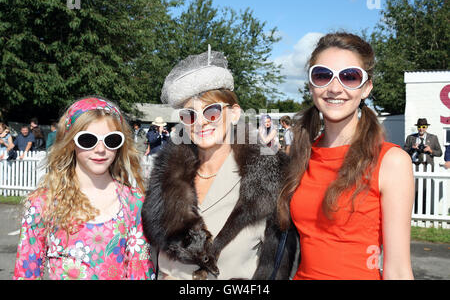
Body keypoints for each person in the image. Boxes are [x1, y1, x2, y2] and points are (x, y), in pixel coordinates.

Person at [142, 47, 297, 280]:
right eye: (189, 115)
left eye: (212, 112)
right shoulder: (164, 178)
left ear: (234, 114)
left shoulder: (272, 179)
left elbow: (280, 264)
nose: (201, 122)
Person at [277, 32, 415, 280]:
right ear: (311, 85)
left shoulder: (391, 162)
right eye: (322, 75)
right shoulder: (299, 155)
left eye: (350, 77)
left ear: (366, 88)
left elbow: (399, 270)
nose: (334, 88)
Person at [14, 96, 155, 280]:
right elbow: (26, 273)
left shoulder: (135, 203)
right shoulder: (43, 203)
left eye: (111, 140)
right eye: (88, 140)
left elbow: (141, 271)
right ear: (71, 142)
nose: (100, 149)